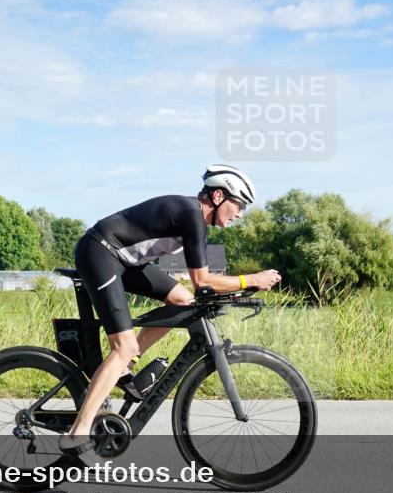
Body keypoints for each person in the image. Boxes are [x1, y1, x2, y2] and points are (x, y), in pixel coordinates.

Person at [61, 164, 282, 457]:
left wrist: (241, 287)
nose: (240, 213)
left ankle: (124, 367)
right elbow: (202, 280)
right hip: (99, 252)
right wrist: (251, 279)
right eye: (239, 204)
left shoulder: (198, 225)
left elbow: (198, 287)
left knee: (183, 301)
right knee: (122, 346)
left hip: (123, 260)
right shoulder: (192, 215)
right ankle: (78, 431)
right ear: (218, 196)